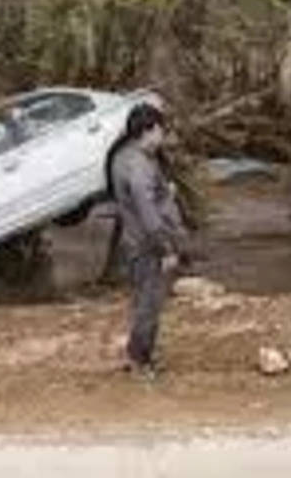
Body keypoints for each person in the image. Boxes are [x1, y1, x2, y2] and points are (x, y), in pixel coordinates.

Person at [106, 103, 188, 377]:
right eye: (161, 130)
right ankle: (139, 360)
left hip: (136, 240)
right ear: (149, 131)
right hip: (147, 244)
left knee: (146, 299)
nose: (163, 136)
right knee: (149, 303)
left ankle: (140, 356)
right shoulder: (138, 167)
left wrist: (167, 193)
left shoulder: (125, 156)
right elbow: (148, 213)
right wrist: (166, 248)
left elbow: (149, 199)